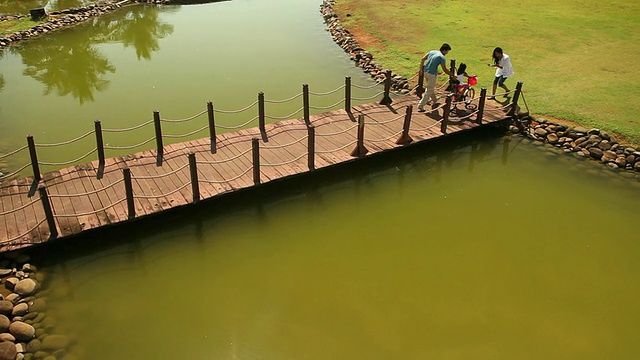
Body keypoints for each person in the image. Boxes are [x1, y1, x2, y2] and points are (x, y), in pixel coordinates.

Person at [417, 43, 454, 112]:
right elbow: (445, 69)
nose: (447, 53)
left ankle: (435, 100)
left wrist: (420, 69)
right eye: (447, 51)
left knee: (430, 88)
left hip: (425, 72)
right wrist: (452, 75)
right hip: (432, 74)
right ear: (445, 50)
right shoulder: (442, 57)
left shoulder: (432, 52)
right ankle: (420, 106)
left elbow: (422, 59)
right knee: (429, 90)